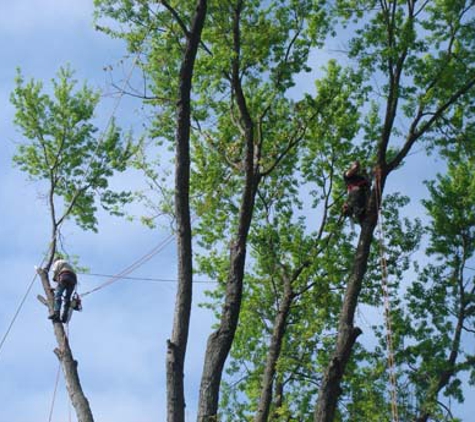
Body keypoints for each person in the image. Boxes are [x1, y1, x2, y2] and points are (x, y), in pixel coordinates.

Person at [48, 256, 77, 323]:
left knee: (58, 296)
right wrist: (55, 288)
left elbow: (55, 272)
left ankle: (56, 314)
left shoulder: (58, 262)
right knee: (67, 299)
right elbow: (60, 284)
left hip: (65, 277)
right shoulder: (67, 264)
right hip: (73, 280)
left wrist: (54, 278)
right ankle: (64, 317)